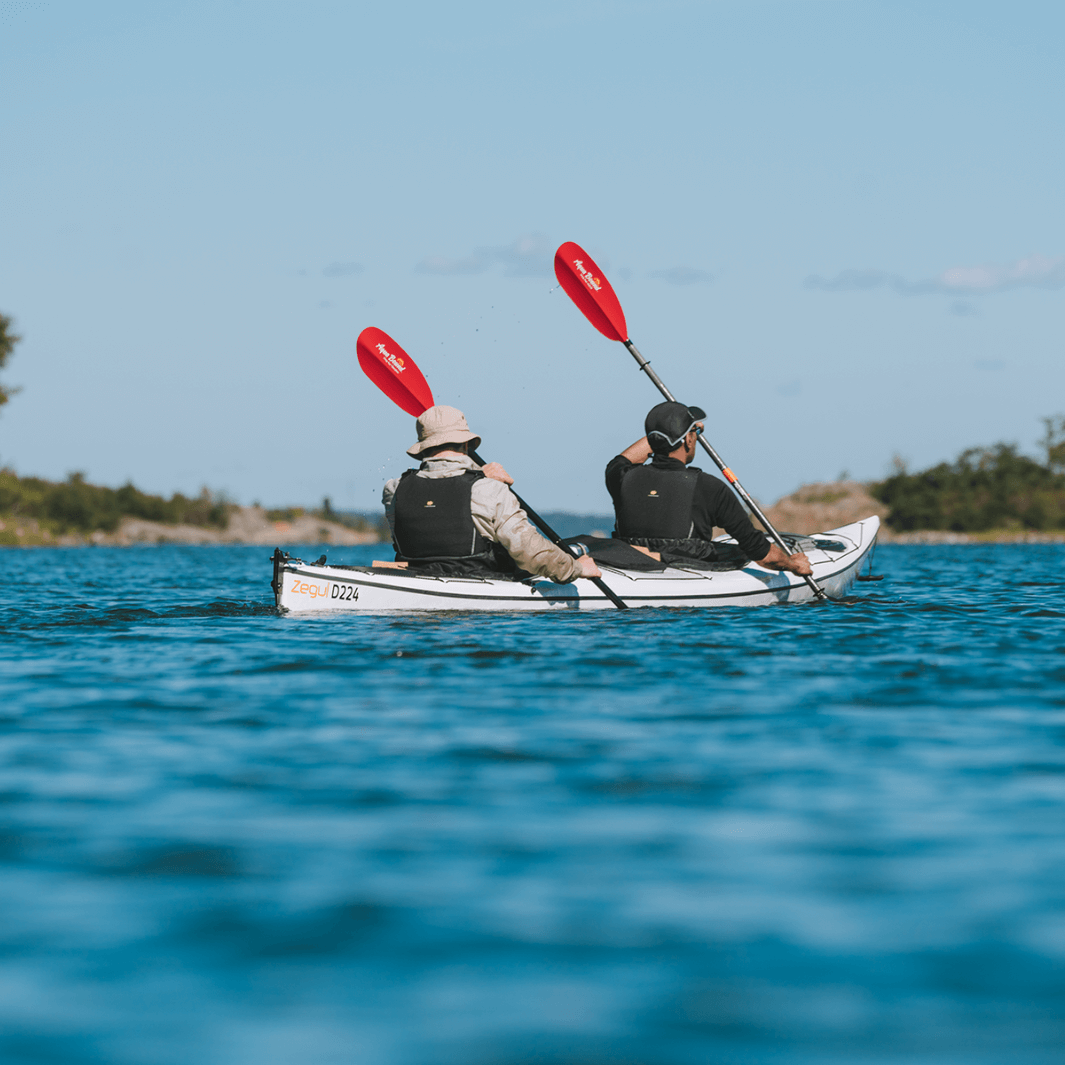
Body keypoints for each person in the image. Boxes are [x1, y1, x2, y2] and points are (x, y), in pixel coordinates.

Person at [383, 405, 602, 583]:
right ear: (467, 443)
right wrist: (575, 568)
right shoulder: (489, 490)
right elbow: (529, 551)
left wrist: (478, 475)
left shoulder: (394, 490)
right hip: (481, 589)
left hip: (414, 580)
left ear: (422, 447)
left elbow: (441, 499)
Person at [605, 401, 812, 574]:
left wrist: (671, 433)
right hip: (683, 572)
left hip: (626, 562)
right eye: (692, 433)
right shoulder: (709, 488)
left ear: (652, 439)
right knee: (740, 552)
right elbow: (761, 553)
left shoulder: (620, 477)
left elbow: (622, 459)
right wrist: (793, 565)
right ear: (687, 439)